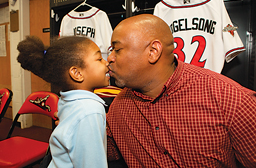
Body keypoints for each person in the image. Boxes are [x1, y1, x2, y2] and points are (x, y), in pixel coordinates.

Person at [106, 14, 256, 167]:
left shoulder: (231, 99)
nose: (110, 58)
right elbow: (99, 150)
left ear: (153, 51)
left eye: (117, 49)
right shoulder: (120, 106)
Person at [17, 35, 109, 168]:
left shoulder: (68, 98)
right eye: (99, 59)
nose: (106, 62)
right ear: (77, 73)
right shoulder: (90, 110)